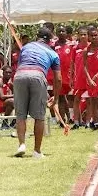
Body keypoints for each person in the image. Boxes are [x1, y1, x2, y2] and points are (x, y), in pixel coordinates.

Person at [12, 27, 62, 158]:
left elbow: (22, 66)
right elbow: (58, 78)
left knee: (21, 115)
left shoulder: (26, 47)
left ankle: (21, 144)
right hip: (38, 75)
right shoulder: (53, 53)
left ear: (37, 37)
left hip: (19, 75)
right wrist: (55, 99)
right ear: (50, 40)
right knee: (39, 116)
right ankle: (37, 151)